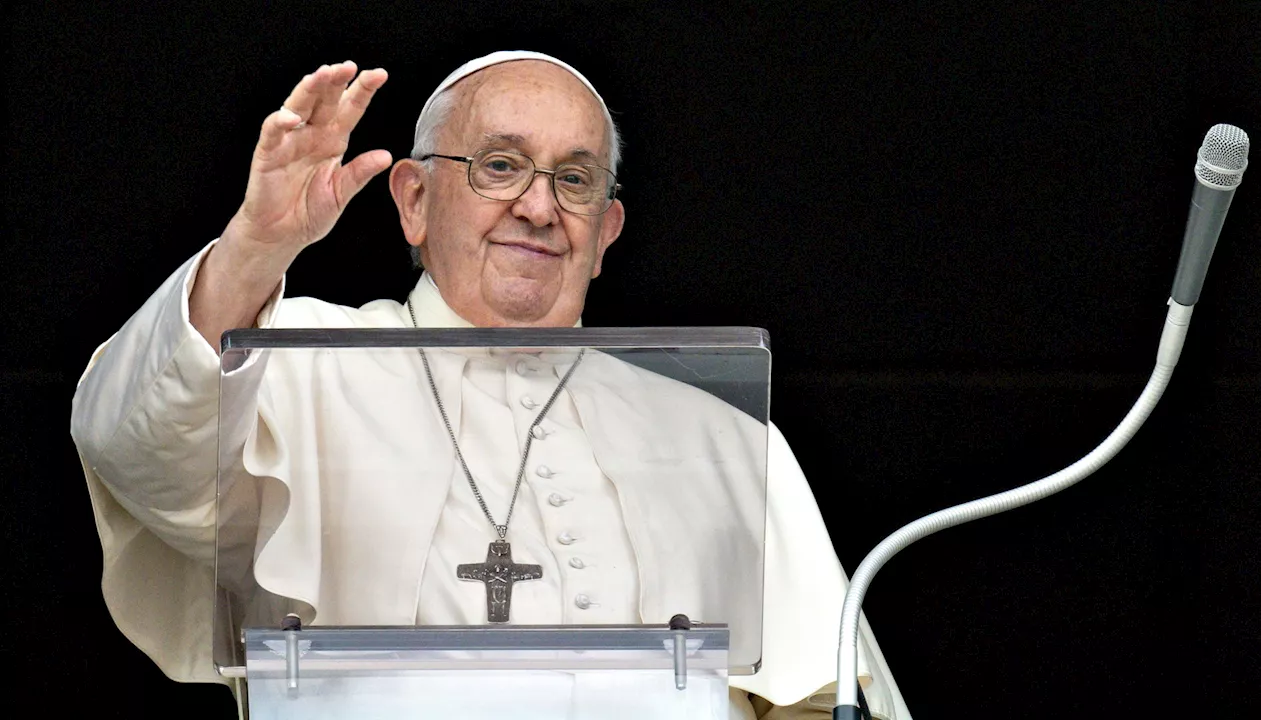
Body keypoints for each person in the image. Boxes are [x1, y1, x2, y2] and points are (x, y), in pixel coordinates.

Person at [70, 51, 911, 719]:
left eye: (575, 180)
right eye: (500, 166)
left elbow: (823, 695)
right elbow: (133, 446)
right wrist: (253, 249)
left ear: (606, 230)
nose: (540, 208)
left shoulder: (722, 434)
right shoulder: (294, 361)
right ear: (412, 201)